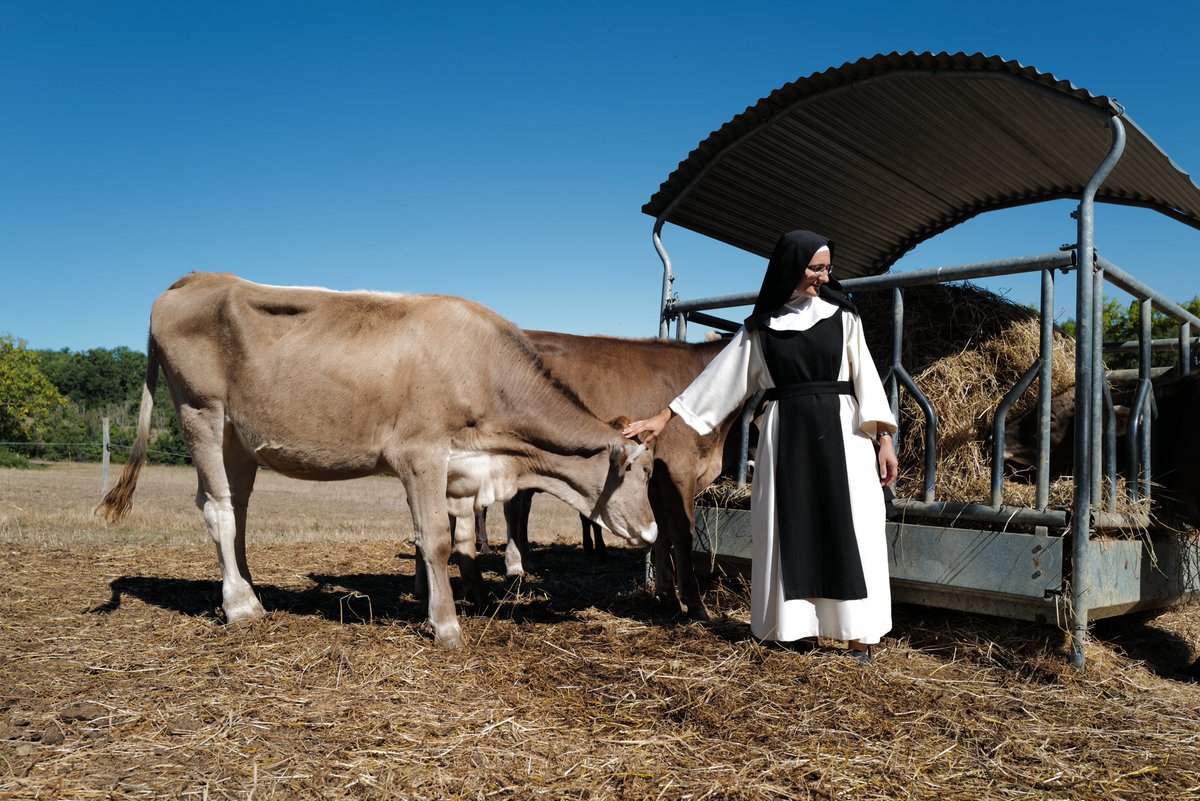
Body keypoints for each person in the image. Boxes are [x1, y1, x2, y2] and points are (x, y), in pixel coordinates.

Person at [623, 230, 898, 662]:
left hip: (844, 437)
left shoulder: (844, 316)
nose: (825, 277)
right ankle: (799, 630)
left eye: (828, 268)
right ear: (791, 268)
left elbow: (867, 377)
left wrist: (884, 438)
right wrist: (664, 418)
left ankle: (858, 637)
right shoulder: (761, 329)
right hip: (786, 436)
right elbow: (715, 383)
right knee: (791, 528)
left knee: (853, 527)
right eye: (816, 268)